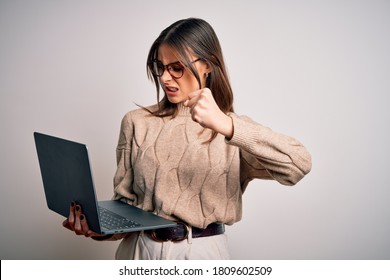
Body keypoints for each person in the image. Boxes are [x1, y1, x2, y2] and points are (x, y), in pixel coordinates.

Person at [63, 18, 312, 260]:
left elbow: (298, 165)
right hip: (137, 252)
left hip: (200, 254)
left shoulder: (233, 129)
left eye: (177, 67)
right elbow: (125, 203)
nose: (165, 77)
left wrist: (226, 125)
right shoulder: (136, 122)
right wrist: (98, 227)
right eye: (160, 66)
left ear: (207, 66)